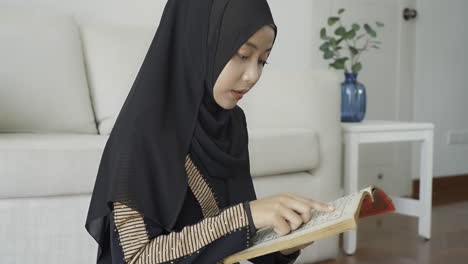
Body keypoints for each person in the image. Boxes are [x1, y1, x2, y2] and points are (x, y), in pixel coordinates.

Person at [84, 0, 335, 263]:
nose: (252, 75)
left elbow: (238, 239)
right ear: (198, 45)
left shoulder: (230, 123)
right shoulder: (142, 134)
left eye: (263, 61)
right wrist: (247, 216)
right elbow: (135, 257)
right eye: (242, 54)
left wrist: (285, 242)